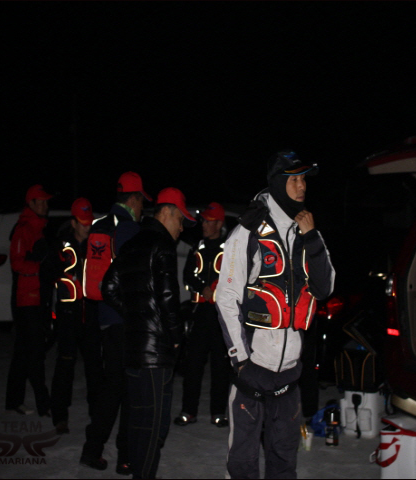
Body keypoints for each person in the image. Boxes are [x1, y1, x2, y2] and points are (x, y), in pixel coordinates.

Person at [216, 151, 335, 479]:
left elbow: (325, 287)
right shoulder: (249, 229)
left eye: (304, 179)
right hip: (253, 371)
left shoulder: (305, 228)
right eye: (294, 179)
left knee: (284, 461)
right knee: (243, 463)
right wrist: (241, 360)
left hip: (290, 374)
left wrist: (312, 237)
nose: (302, 186)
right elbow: (226, 297)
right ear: (278, 182)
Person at [102, 187, 195, 480]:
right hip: (155, 351)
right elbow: (168, 297)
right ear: (165, 212)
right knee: (154, 424)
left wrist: (136, 315)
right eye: (180, 219)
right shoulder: (162, 244)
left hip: (133, 345)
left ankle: (137, 470)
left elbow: (108, 288)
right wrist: (176, 338)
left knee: (138, 418)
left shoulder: (132, 243)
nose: (182, 228)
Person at [80, 172, 152, 475]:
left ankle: (94, 449)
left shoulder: (100, 225)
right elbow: (135, 278)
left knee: (113, 386)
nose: (142, 208)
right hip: (125, 319)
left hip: (105, 318)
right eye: (141, 202)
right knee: (127, 390)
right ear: (133, 199)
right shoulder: (129, 229)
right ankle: (123, 455)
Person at [46, 198, 104, 435]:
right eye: (82, 222)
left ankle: (97, 414)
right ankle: (60, 416)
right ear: (73, 222)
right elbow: (48, 276)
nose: (87, 227)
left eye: (89, 222)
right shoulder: (59, 245)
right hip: (68, 314)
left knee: (94, 367)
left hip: (91, 313)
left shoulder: (97, 244)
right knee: (65, 364)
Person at [174, 202, 231, 428]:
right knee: (193, 365)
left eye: (209, 221)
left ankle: (218, 412)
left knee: (220, 367)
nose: (204, 224)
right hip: (199, 314)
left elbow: (235, 278)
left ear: (219, 224)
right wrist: (202, 287)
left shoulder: (230, 249)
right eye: (204, 220)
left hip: (221, 316)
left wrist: (215, 290)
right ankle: (189, 411)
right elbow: (188, 275)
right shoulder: (197, 246)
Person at [5, 184, 53, 417]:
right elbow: (17, 263)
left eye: (46, 201)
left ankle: (14, 400)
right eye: (41, 201)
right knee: (34, 352)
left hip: (36, 297)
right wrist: (38, 266)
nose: (45, 205)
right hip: (26, 300)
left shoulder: (38, 228)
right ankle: (44, 404)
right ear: (31, 203)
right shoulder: (24, 229)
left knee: (23, 352)